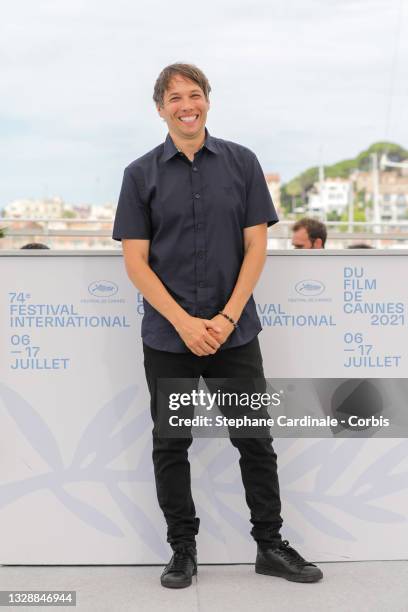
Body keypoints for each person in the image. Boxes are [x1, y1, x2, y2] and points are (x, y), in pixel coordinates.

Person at [112, 63, 323, 588]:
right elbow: (136, 262)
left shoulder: (242, 163)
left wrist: (227, 317)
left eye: (196, 94)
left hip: (236, 332)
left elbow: (257, 246)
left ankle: (270, 546)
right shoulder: (139, 174)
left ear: (208, 100)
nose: (188, 105)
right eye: (176, 97)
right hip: (168, 335)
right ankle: (182, 551)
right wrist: (184, 323)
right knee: (171, 444)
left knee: (255, 440)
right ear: (159, 108)